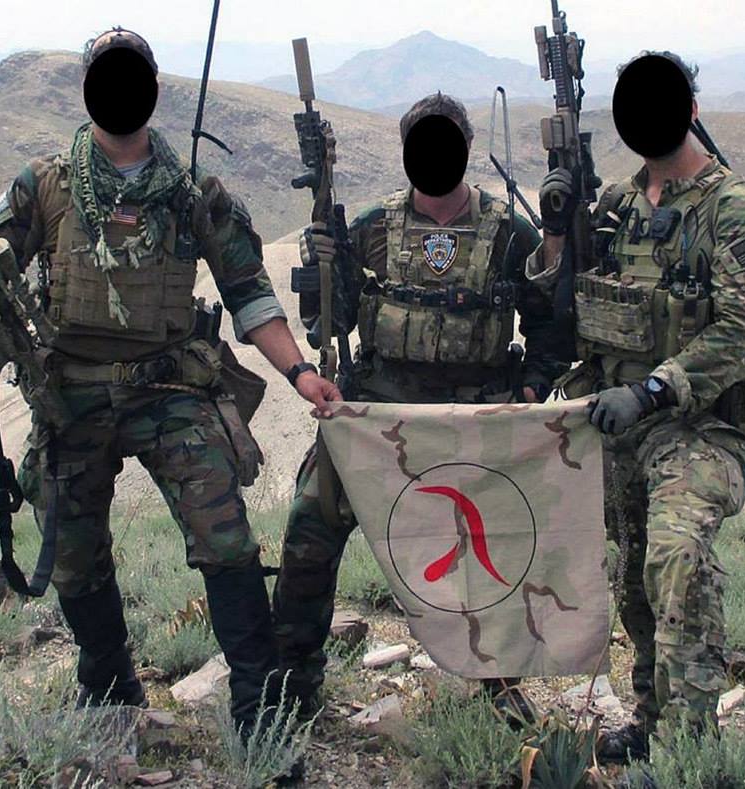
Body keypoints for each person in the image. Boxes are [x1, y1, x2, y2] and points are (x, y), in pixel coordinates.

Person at [0, 27, 340, 734]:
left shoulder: (192, 193)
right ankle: (109, 685)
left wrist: (301, 372)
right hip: (71, 391)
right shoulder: (46, 183)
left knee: (225, 536)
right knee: (72, 552)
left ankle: (259, 707)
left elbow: (250, 293)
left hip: (170, 391)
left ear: (153, 90)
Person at [273, 92, 570, 717]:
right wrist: (321, 268)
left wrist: (529, 390)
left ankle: (499, 684)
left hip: (475, 421)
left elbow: (549, 325)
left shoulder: (508, 233)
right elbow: (331, 322)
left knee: (495, 547)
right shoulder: (371, 229)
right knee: (309, 527)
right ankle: (294, 682)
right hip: (381, 416)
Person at [529, 52, 745, 762]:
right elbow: (559, 296)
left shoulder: (733, 209)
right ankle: (651, 717)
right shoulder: (615, 205)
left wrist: (653, 389)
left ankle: (689, 749)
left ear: (691, 111)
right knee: (633, 570)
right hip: (617, 426)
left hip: (698, 427)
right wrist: (558, 228)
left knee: (677, 555)